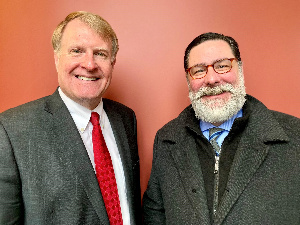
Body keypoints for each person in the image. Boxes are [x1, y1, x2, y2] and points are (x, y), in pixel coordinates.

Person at [142, 32, 300, 224]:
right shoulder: (166, 139)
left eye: (222, 66)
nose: (211, 79)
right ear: (188, 80)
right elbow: (154, 213)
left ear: (240, 70)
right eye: (199, 70)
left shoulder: (294, 135)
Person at [0, 11, 141, 224]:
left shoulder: (125, 119)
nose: (89, 64)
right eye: (77, 51)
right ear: (57, 58)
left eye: (100, 54)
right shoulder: (13, 130)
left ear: (112, 63)